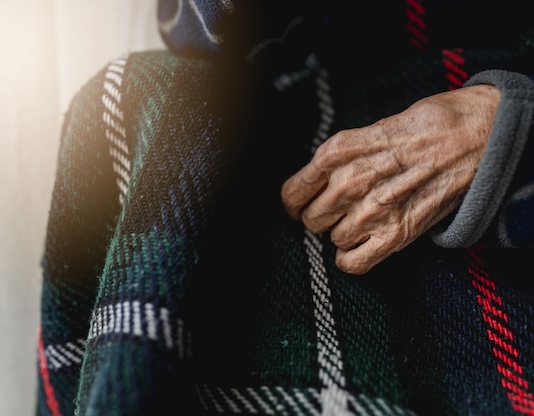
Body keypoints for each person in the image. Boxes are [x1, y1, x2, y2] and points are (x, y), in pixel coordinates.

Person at [36, 1, 534, 415]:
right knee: (133, 89)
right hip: (292, 119)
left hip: (500, 134)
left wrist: (508, 131)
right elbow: (190, 30)